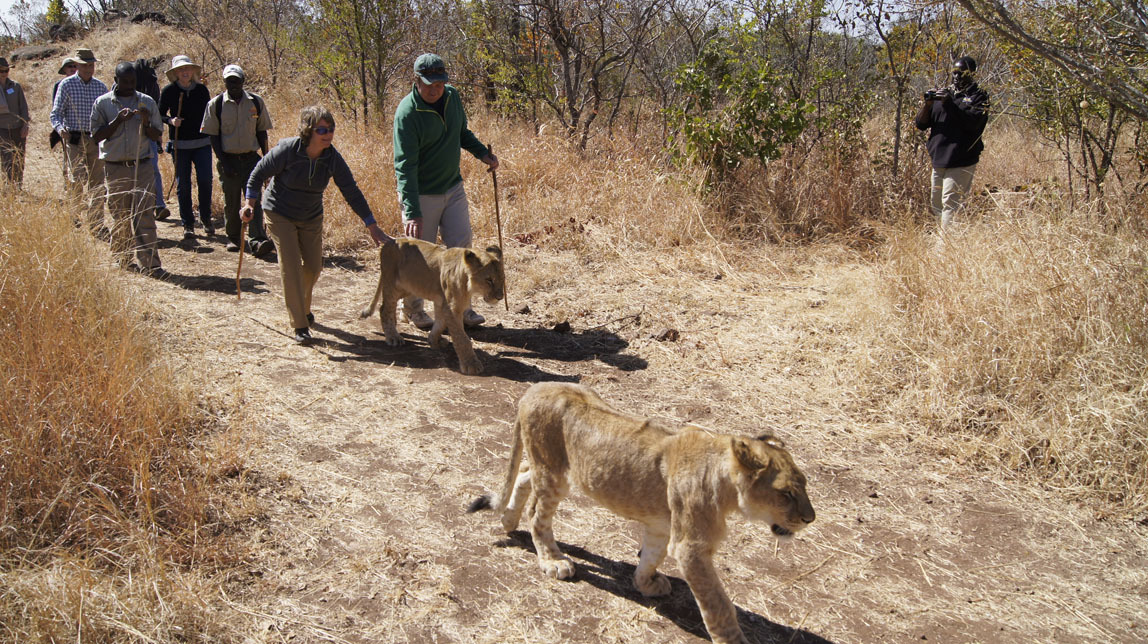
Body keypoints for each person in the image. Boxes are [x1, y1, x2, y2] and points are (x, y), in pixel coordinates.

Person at [242, 105, 393, 344]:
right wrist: (250, 203)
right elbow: (256, 174)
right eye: (321, 129)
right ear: (308, 131)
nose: (328, 134)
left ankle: (302, 307)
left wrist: (371, 225)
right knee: (290, 267)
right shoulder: (287, 151)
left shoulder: (331, 157)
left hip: (311, 215)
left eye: (331, 129)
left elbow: (351, 191)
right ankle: (300, 325)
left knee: (313, 267)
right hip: (279, 212)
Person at [393, 53, 498, 330]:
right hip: (421, 194)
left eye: (439, 83)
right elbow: (404, 166)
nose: (434, 89)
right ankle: (413, 309)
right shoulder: (407, 113)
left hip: (452, 187)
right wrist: (412, 211)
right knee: (419, 258)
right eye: (428, 83)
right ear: (415, 80)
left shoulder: (452, 98)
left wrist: (482, 154)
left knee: (462, 249)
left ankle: (461, 308)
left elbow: (461, 132)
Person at [91, 62, 165, 277]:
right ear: (115, 80)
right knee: (120, 216)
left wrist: (145, 122)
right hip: (115, 167)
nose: (130, 85)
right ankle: (122, 260)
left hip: (141, 166)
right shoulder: (103, 103)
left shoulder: (147, 102)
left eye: (133, 82)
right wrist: (117, 121)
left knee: (144, 215)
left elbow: (156, 135)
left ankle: (150, 264)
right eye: (125, 82)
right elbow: (96, 136)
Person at [200, 64, 272, 255]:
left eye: (236, 81)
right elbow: (213, 136)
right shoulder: (215, 105)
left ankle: (257, 240)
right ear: (224, 82)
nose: (233, 84)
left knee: (253, 199)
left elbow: (262, 131)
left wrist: (266, 162)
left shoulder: (256, 102)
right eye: (229, 81)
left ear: (243, 81)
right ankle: (233, 238)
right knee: (231, 201)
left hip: (251, 160)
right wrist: (224, 162)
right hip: (228, 160)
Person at [914, 55, 990, 231]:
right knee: (937, 204)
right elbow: (921, 124)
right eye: (954, 73)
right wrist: (928, 104)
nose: (956, 77)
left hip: (961, 159)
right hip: (938, 160)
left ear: (972, 74)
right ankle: (943, 243)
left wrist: (950, 103)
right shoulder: (944, 94)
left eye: (961, 73)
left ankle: (944, 251)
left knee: (951, 204)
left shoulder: (979, 97)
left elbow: (973, 124)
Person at [50, 48, 108, 236]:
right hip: (73, 139)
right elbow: (56, 113)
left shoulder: (100, 87)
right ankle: (73, 217)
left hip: (95, 139)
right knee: (76, 180)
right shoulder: (66, 85)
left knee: (98, 182)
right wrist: (60, 129)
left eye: (91, 65)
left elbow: (107, 114)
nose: (88, 69)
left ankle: (96, 223)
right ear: (77, 65)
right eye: (84, 65)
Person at [159, 55, 213, 240]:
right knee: (184, 185)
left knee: (205, 181)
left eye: (187, 69)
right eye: (181, 70)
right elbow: (159, 115)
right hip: (180, 145)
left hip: (203, 143)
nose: (185, 72)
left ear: (192, 71)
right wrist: (171, 121)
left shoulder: (201, 91)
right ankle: (187, 224)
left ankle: (206, 218)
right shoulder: (168, 91)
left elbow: (209, 114)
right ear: (175, 73)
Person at [130, 58, 171, 222]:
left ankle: (159, 205)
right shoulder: (124, 85)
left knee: (153, 169)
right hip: (129, 136)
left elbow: (156, 113)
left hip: (149, 134)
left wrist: (158, 138)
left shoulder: (152, 85)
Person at [0, 57, 30, 188]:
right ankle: (8, 187)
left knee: (19, 157)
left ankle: (18, 186)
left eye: (6, 70)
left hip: (17, 127)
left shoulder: (16, 86)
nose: (4, 73)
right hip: (2, 129)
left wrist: (25, 124)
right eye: (1, 70)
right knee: (6, 159)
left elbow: (23, 107)